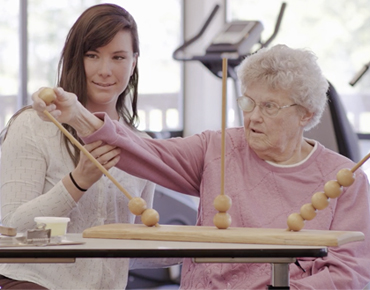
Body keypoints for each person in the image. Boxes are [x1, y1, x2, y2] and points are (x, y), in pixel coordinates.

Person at [32, 44, 370, 289]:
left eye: (269, 106)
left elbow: (350, 272)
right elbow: (147, 153)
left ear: (305, 115)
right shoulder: (218, 148)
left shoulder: (345, 179)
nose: (252, 116)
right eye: (248, 102)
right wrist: (77, 114)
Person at [0, 3, 168, 290]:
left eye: (118, 57)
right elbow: (11, 233)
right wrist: (78, 182)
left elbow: (134, 251)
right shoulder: (33, 125)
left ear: (134, 62)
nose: (105, 70)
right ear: (76, 59)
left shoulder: (142, 145)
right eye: (93, 55)